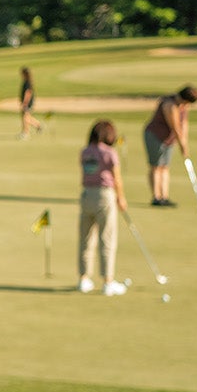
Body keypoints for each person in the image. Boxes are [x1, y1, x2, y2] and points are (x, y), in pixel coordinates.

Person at [77, 118, 129, 296]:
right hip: (104, 195)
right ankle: (108, 281)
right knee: (107, 239)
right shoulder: (110, 153)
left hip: (86, 195)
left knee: (85, 239)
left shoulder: (84, 152)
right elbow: (117, 178)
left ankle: (84, 279)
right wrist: (121, 198)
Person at [143, 84, 197, 207]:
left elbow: (184, 123)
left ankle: (164, 196)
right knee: (156, 166)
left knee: (165, 166)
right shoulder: (169, 104)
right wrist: (181, 144)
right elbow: (175, 126)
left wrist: (185, 143)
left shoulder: (184, 105)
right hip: (154, 136)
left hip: (168, 139)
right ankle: (156, 197)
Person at [18, 67, 43, 139]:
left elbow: (28, 93)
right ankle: (38, 125)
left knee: (25, 118)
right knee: (27, 117)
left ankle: (25, 133)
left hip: (27, 102)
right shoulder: (26, 81)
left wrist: (25, 103)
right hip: (27, 102)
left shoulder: (27, 82)